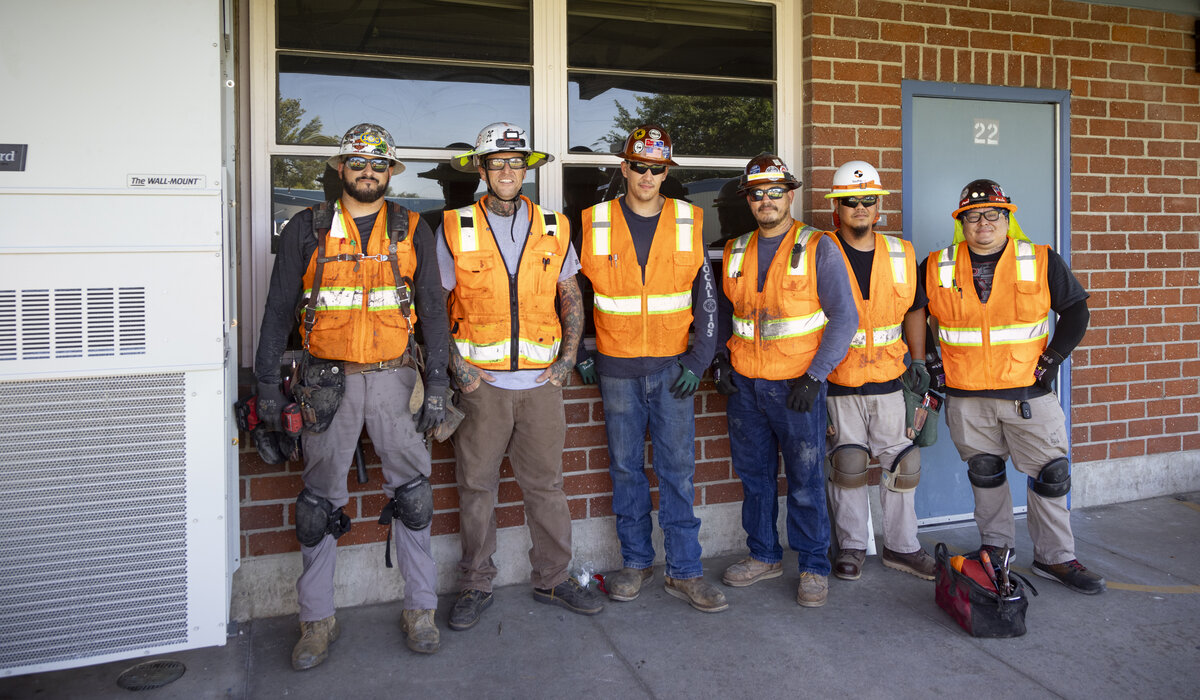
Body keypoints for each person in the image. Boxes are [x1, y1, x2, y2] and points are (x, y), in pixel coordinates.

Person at [254, 123, 450, 669]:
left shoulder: (413, 228)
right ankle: (316, 621)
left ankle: (421, 610)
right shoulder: (306, 228)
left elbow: (432, 311)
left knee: (413, 497)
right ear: (342, 168)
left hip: (394, 377)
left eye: (379, 165)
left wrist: (437, 382)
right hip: (325, 379)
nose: (369, 173)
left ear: (391, 173)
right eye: (359, 163)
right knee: (317, 506)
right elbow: (275, 311)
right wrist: (267, 383)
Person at [437, 122, 604, 630]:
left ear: (526, 169)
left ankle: (553, 577)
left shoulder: (555, 226)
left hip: (540, 386)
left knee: (547, 487)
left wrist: (567, 359)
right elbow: (433, 307)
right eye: (498, 162)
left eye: (516, 162)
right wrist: (459, 370)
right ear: (483, 170)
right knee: (476, 489)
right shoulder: (453, 226)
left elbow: (569, 293)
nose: (507, 170)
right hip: (480, 386)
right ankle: (474, 583)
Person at [922, 179, 1105, 595]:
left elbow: (1076, 310)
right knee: (984, 474)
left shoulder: (1040, 259)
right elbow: (911, 312)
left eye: (992, 214)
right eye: (972, 215)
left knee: (1051, 475)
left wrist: (1054, 357)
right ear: (961, 221)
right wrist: (930, 360)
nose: (982, 222)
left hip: (1028, 395)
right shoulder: (937, 264)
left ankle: (1055, 558)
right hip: (968, 398)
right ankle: (996, 552)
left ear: (1007, 219)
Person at [576, 125, 726, 613]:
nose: (647, 175)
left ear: (666, 173)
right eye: (638, 166)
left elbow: (707, 297)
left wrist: (699, 358)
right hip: (616, 370)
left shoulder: (688, 219)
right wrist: (578, 349)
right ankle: (636, 563)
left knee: (677, 470)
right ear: (624, 168)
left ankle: (685, 571)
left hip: (671, 370)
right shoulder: (595, 220)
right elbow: (572, 294)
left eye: (656, 168)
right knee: (625, 470)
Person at [714, 153, 857, 607]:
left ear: (790, 195)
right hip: (746, 388)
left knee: (806, 478)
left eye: (775, 191)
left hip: (798, 389)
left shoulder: (819, 246)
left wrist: (815, 378)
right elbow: (724, 315)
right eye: (757, 193)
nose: (766, 200)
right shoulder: (735, 250)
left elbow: (844, 319)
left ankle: (813, 565)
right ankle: (763, 555)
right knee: (754, 478)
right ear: (749, 201)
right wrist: (721, 361)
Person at [822, 160, 936, 582]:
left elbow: (915, 309)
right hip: (838, 380)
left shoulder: (901, 253)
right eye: (850, 201)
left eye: (868, 199)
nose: (860, 207)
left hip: (891, 380)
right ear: (837, 207)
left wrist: (919, 362)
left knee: (903, 464)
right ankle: (851, 547)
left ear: (878, 205)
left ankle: (902, 548)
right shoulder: (820, 250)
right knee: (848, 465)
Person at [417, 142, 480, 233]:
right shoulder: (493, 223)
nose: (447, 189)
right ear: (476, 185)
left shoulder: (425, 223)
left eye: (443, 182)